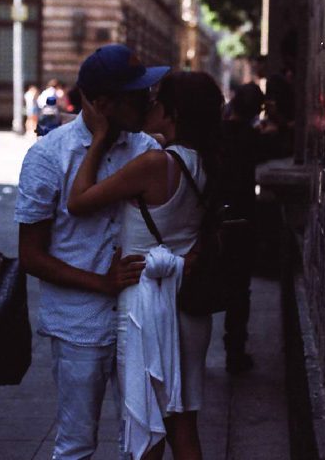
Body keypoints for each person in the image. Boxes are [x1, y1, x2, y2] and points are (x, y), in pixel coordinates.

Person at [15, 44, 169, 460]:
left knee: (143, 440)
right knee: (76, 443)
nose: (149, 100)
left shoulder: (146, 151)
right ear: (102, 104)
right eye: (138, 95)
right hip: (78, 324)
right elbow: (31, 255)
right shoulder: (49, 156)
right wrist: (100, 283)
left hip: (139, 317)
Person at [67, 71, 224, 460]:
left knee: (146, 423)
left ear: (173, 113)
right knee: (183, 424)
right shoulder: (206, 161)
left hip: (145, 306)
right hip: (187, 308)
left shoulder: (155, 164)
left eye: (156, 101)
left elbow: (79, 200)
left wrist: (100, 139)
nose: (149, 106)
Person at [216, 83, 265, 374]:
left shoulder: (217, 134)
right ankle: (235, 351)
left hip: (215, 219)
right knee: (239, 290)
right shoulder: (254, 139)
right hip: (243, 221)